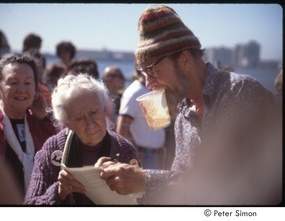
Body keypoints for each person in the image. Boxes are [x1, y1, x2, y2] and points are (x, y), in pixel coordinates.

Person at [97, 5, 282, 205]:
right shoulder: (183, 117)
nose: (149, 83)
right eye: (143, 73)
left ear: (184, 59)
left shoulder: (240, 92)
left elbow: (237, 183)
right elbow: (182, 185)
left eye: (152, 70)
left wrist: (143, 180)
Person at [24, 73, 140, 205]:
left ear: (104, 110)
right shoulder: (52, 150)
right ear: (67, 123)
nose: (90, 123)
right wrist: (59, 192)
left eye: (94, 112)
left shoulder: (124, 149)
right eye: (79, 118)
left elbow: (142, 200)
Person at [0, 53, 57, 198]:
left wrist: (46, 116)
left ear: (36, 87)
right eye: (13, 82)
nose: (21, 89)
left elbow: (63, 151)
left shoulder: (41, 122)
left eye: (27, 82)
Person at [116, 68, 166, 169]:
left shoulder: (152, 89)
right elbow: (122, 129)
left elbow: (157, 127)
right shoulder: (134, 92)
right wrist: (136, 153)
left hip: (155, 155)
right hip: (144, 156)